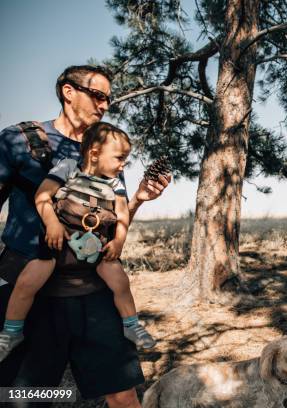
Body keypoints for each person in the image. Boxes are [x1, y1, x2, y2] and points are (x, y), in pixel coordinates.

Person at [0, 65, 170, 407]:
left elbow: (112, 224)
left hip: (94, 294)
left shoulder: (107, 152)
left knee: (123, 394)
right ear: (68, 92)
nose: (105, 105)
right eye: (98, 95)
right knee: (27, 398)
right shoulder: (19, 140)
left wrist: (138, 199)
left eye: (109, 99)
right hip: (35, 294)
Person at [0, 122, 156, 363]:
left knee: (120, 281)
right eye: (119, 158)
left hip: (97, 246)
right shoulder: (69, 168)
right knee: (27, 282)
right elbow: (43, 195)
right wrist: (51, 223)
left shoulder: (114, 184)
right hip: (58, 242)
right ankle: (11, 332)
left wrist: (118, 243)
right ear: (94, 154)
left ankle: (131, 325)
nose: (123, 164)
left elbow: (122, 214)